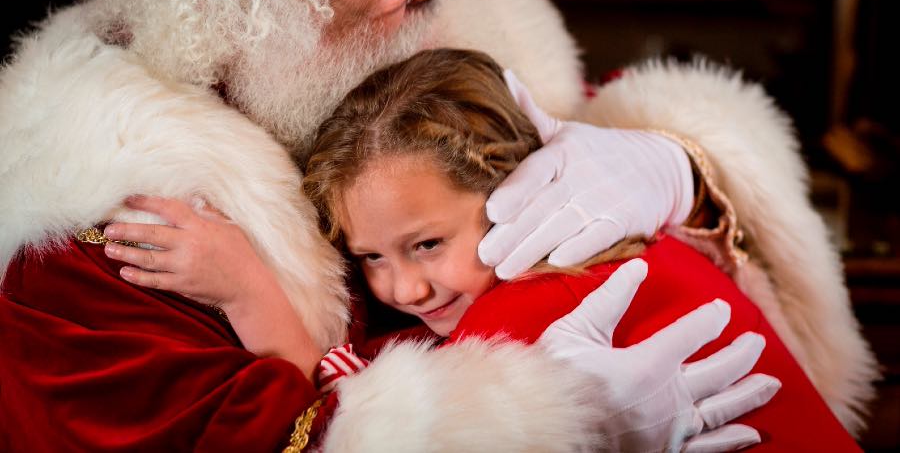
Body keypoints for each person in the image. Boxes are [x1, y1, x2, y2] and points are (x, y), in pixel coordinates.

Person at [0, 0, 874, 449]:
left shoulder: (428, 49)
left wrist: (681, 165)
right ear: (242, 4)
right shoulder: (89, 244)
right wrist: (547, 422)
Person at [102, 48, 858, 451]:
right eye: (370, 258)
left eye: (426, 243)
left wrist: (247, 291)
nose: (403, 289)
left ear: (517, 185)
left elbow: (356, 425)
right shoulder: (622, 247)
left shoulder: (546, 298)